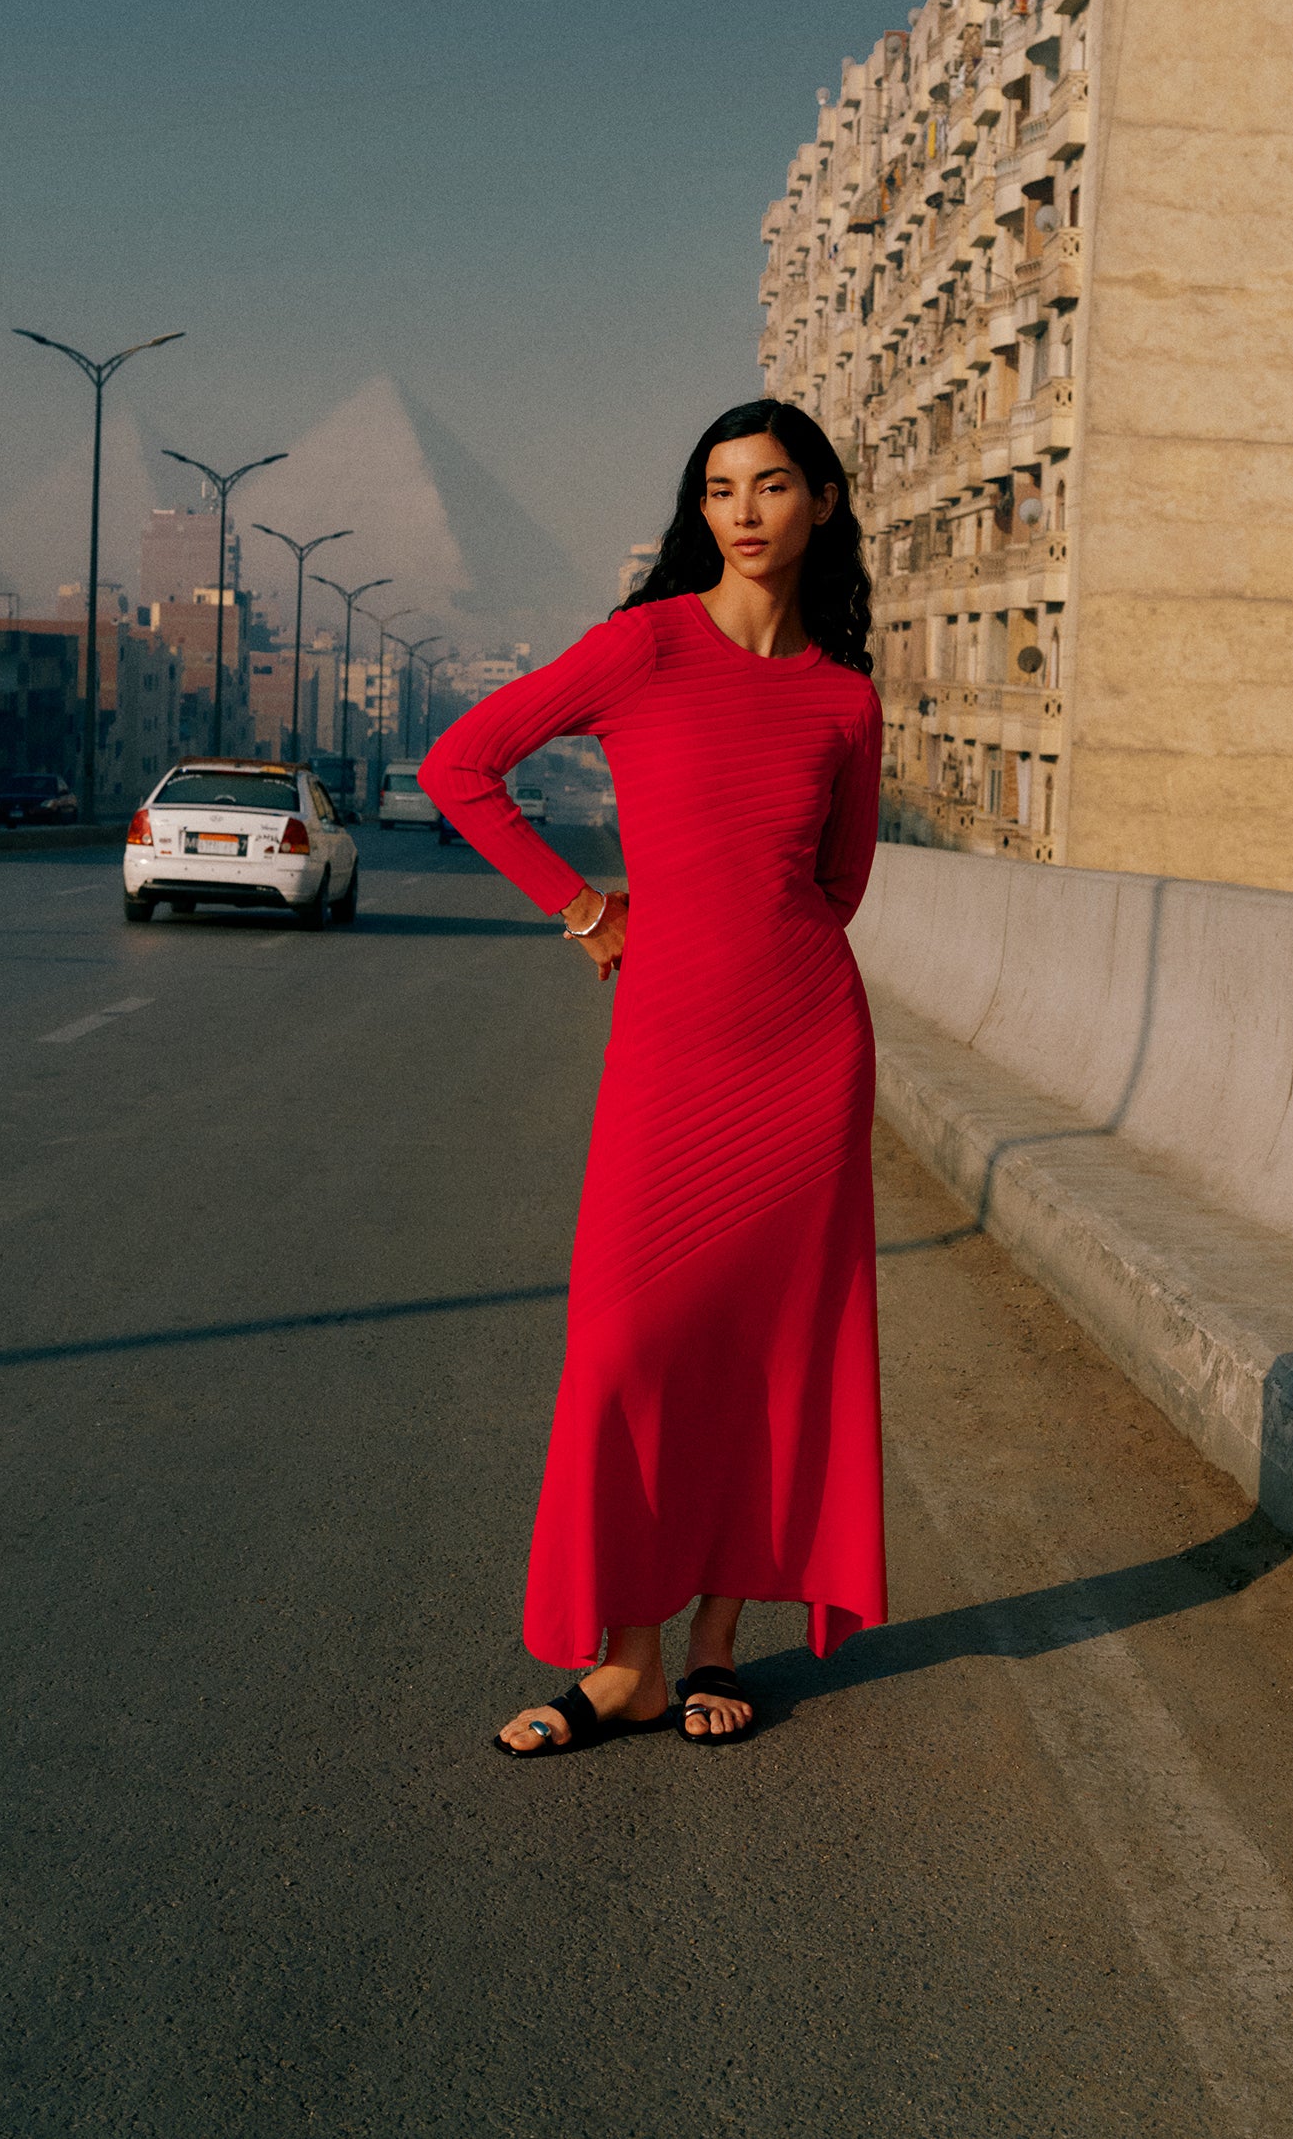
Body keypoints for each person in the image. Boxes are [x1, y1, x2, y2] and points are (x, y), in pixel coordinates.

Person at [418, 398, 886, 1754]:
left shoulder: (844, 699)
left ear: (824, 505)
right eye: (720, 488)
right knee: (628, 1345)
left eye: (772, 485)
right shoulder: (645, 648)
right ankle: (620, 1659)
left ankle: (713, 1647)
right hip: (668, 1057)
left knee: (766, 1359)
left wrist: (758, 953)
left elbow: (838, 886)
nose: (743, 511)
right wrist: (585, 909)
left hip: (804, 1059)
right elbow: (465, 768)